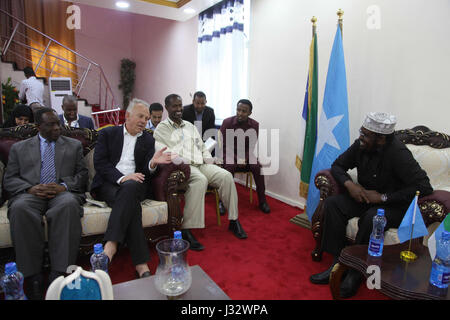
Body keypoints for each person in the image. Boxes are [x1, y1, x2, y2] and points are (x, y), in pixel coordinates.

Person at [309, 112, 433, 298]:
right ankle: (338, 262)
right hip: (365, 197)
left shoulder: (398, 154)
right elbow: (338, 166)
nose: (361, 137)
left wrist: (383, 198)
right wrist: (350, 185)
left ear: (381, 139)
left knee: (373, 218)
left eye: (366, 134)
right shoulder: (360, 145)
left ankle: (355, 272)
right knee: (334, 204)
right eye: (362, 132)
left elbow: (424, 186)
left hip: (394, 206)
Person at [3, 108, 88, 300]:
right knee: (19, 208)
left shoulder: (73, 146)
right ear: (38, 126)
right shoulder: (19, 148)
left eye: (58, 123)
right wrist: (29, 189)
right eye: (51, 124)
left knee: (68, 206)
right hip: (31, 193)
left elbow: (82, 176)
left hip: (61, 194)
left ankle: (59, 274)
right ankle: (32, 277)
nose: (57, 128)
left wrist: (64, 186)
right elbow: (9, 179)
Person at [91, 98, 172, 278]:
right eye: (140, 116)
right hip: (109, 184)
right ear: (127, 116)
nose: (144, 121)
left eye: (147, 117)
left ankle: (110, 247)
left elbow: (145, 172)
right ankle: (141, 263)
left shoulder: (148, 140)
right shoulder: (108, 134)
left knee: (131, 187)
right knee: (130, 199)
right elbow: (101, 164)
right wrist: (122, 178)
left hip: (136, 185)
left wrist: (152, 163)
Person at [154, 94, 247, 251]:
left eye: (180, 105)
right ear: (167, 108)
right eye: (174, 106)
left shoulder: (190, 126)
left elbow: (202, 146)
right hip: (184, 166)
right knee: (200, 180)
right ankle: (186, 229)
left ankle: (234, 220)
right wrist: (183, 162)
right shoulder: (162, 129)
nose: (178, 109)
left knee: (225, 176)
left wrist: (210, 160)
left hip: (201, 163)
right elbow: (165, 151)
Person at [220, 99, 271, 214]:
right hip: (229, 153)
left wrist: (245, 158)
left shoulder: (254, 125)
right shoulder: (227, 122)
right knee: (229, 167)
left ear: (249, 113)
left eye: (244, 111)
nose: (240, 113)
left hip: (246, 154)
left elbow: (252, 146)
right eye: (238, 110)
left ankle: (262, 201)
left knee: (257, 167)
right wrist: (236, 158)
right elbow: (224, 145)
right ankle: (222, 201)